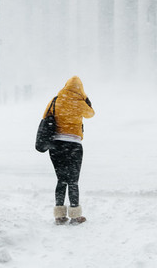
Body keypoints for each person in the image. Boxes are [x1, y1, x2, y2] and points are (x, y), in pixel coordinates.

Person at [43, 76, 94, 225]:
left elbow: (45, 116)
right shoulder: (80, 103)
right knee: (73, 181)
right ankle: (75, 214)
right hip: (74, 145)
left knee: (61, 180)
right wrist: (86, 100)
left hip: (56, 145)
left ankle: (59, 216)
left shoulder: (56, 100)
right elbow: (91, 114)